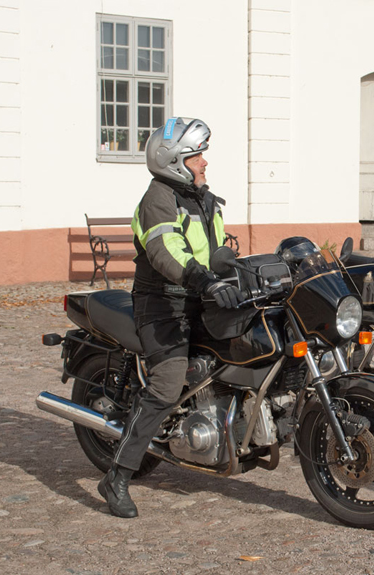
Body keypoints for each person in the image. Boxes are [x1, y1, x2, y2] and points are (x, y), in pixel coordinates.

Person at [97, 117, 244, 518]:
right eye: (197, 155)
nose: (204, 162)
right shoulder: (158, 199)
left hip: (197, 298)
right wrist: (203, 279)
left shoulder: (203, 198)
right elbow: (166, 250)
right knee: (166, 383)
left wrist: (235, 274)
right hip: (163, 303)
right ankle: (117, 477)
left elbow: (213, 253)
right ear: (175, 161)